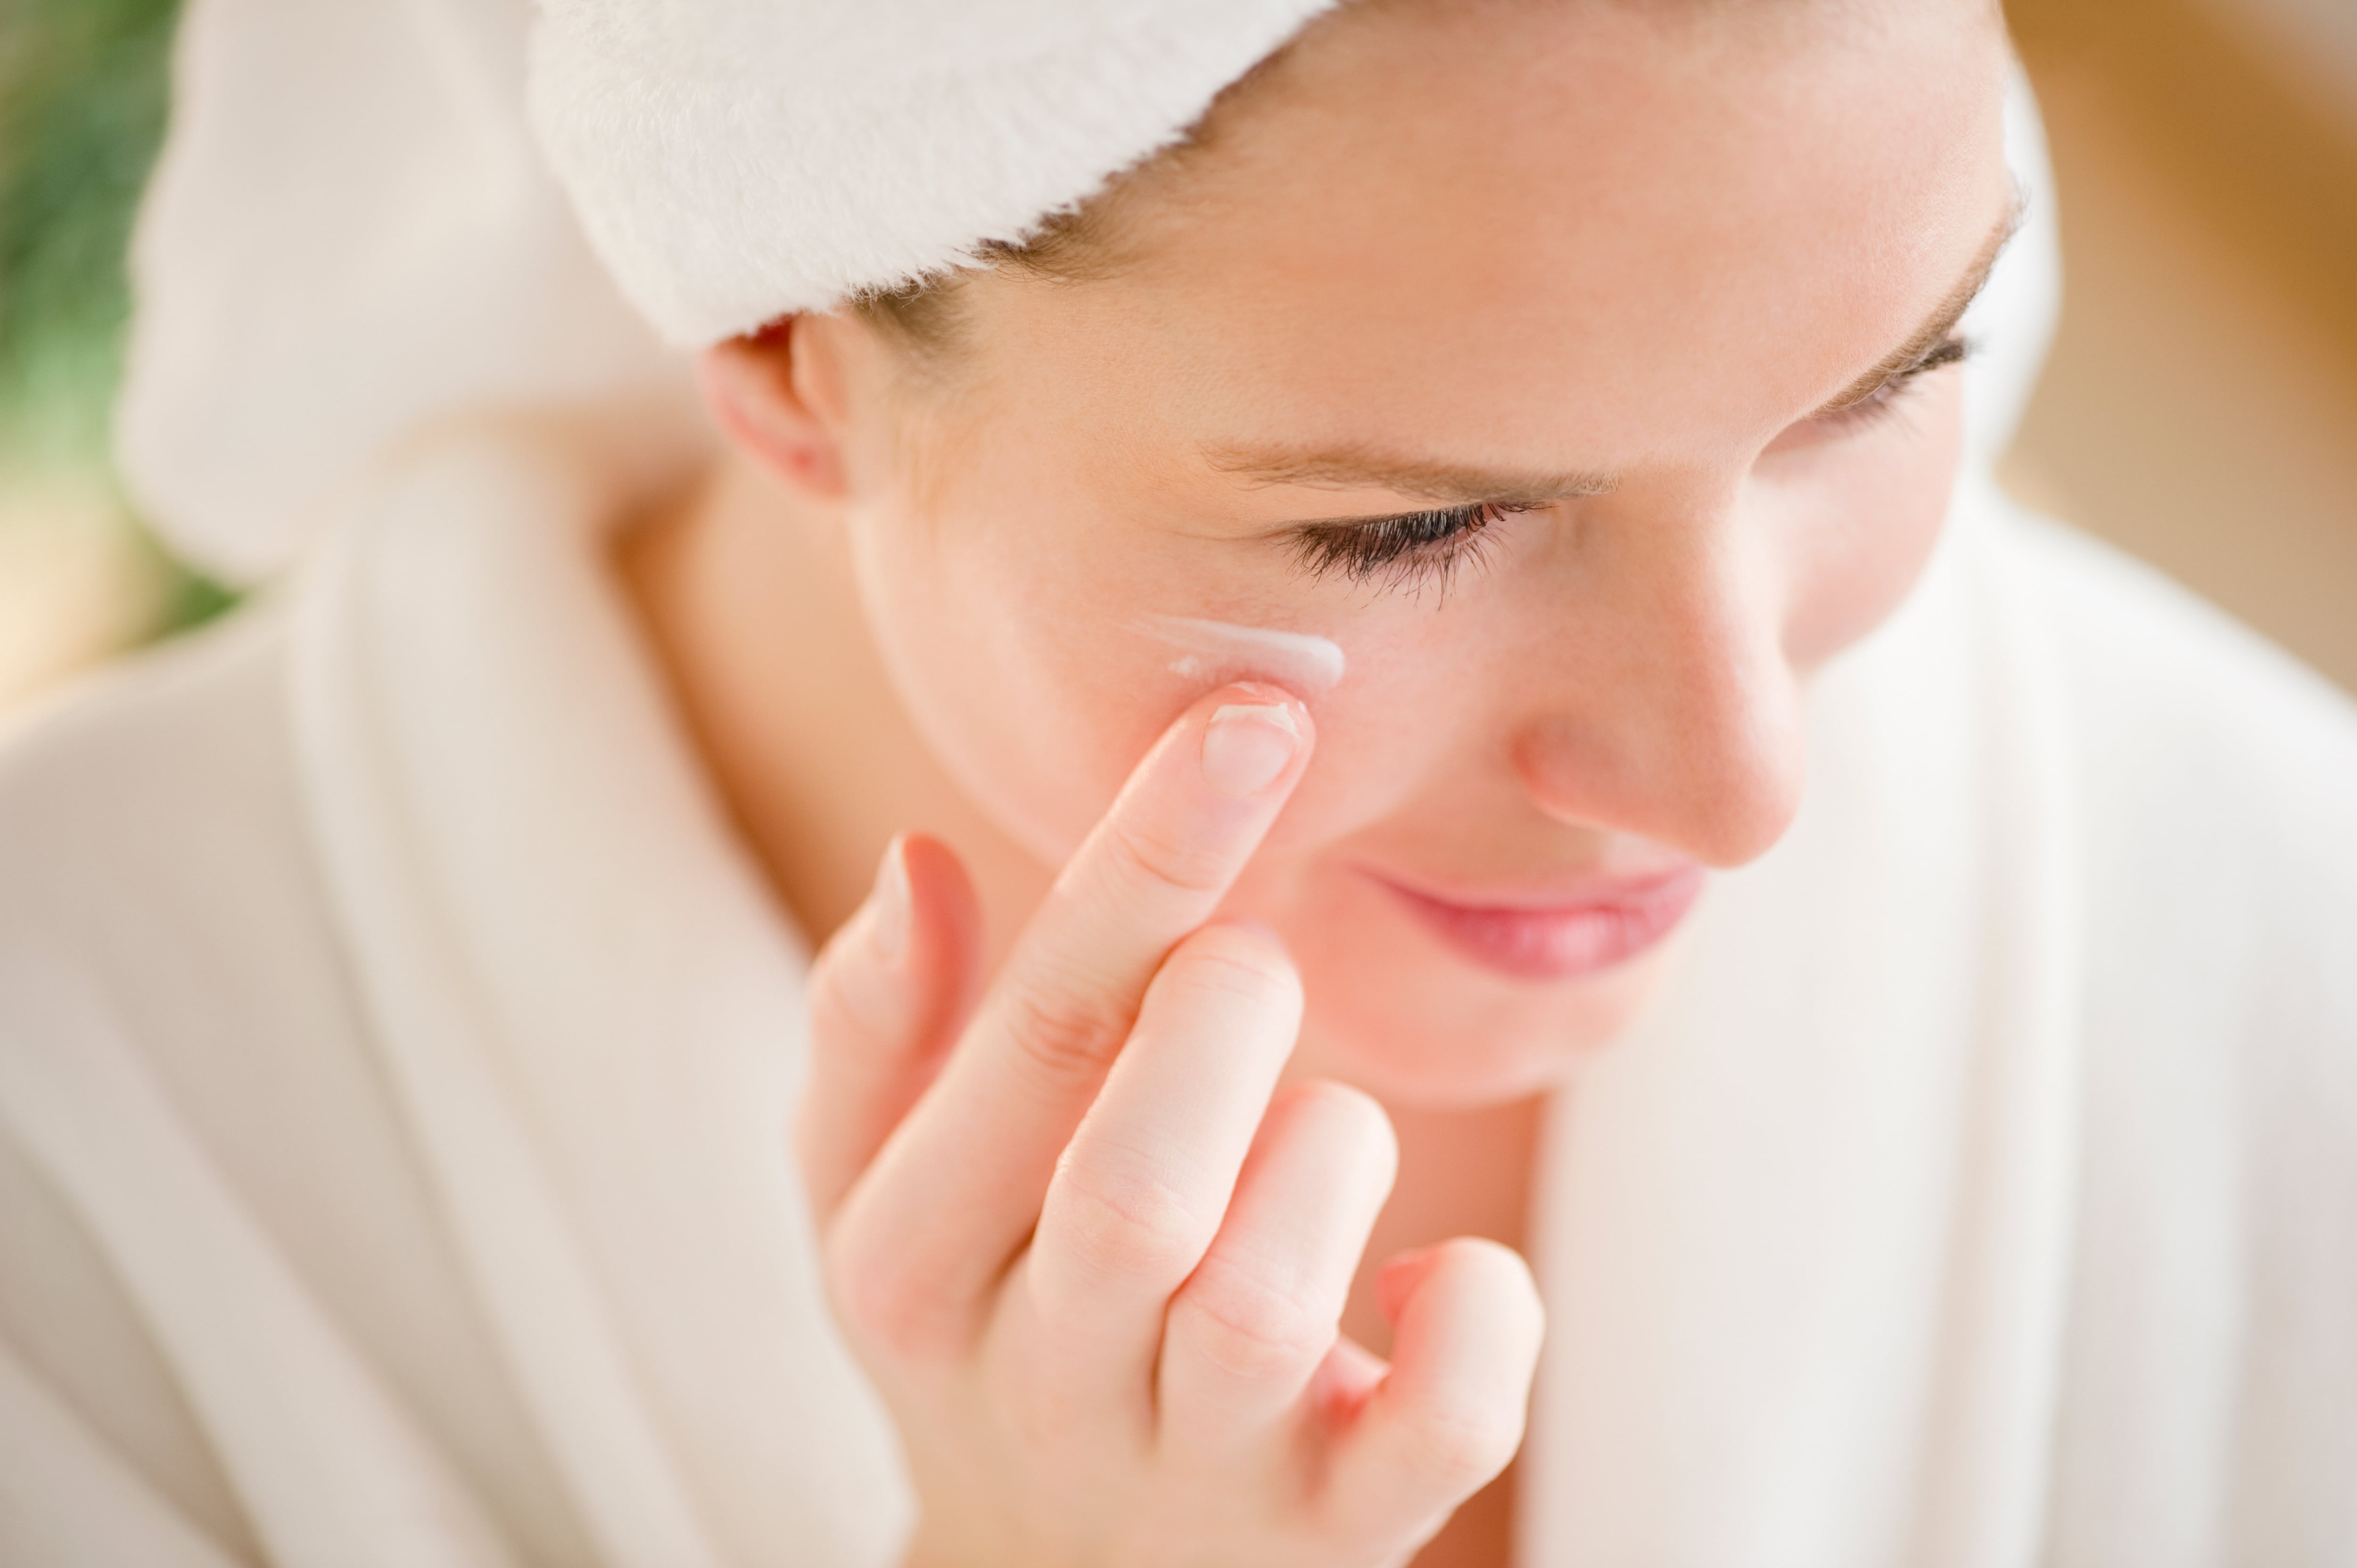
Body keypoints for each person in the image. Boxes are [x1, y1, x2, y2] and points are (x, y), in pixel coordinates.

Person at [2, 0, 2353, 1562]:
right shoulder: (71, 1171)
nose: (1735, 781)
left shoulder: (2280, 953)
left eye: (1883, 381)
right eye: (1412, 526)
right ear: (787, 351)